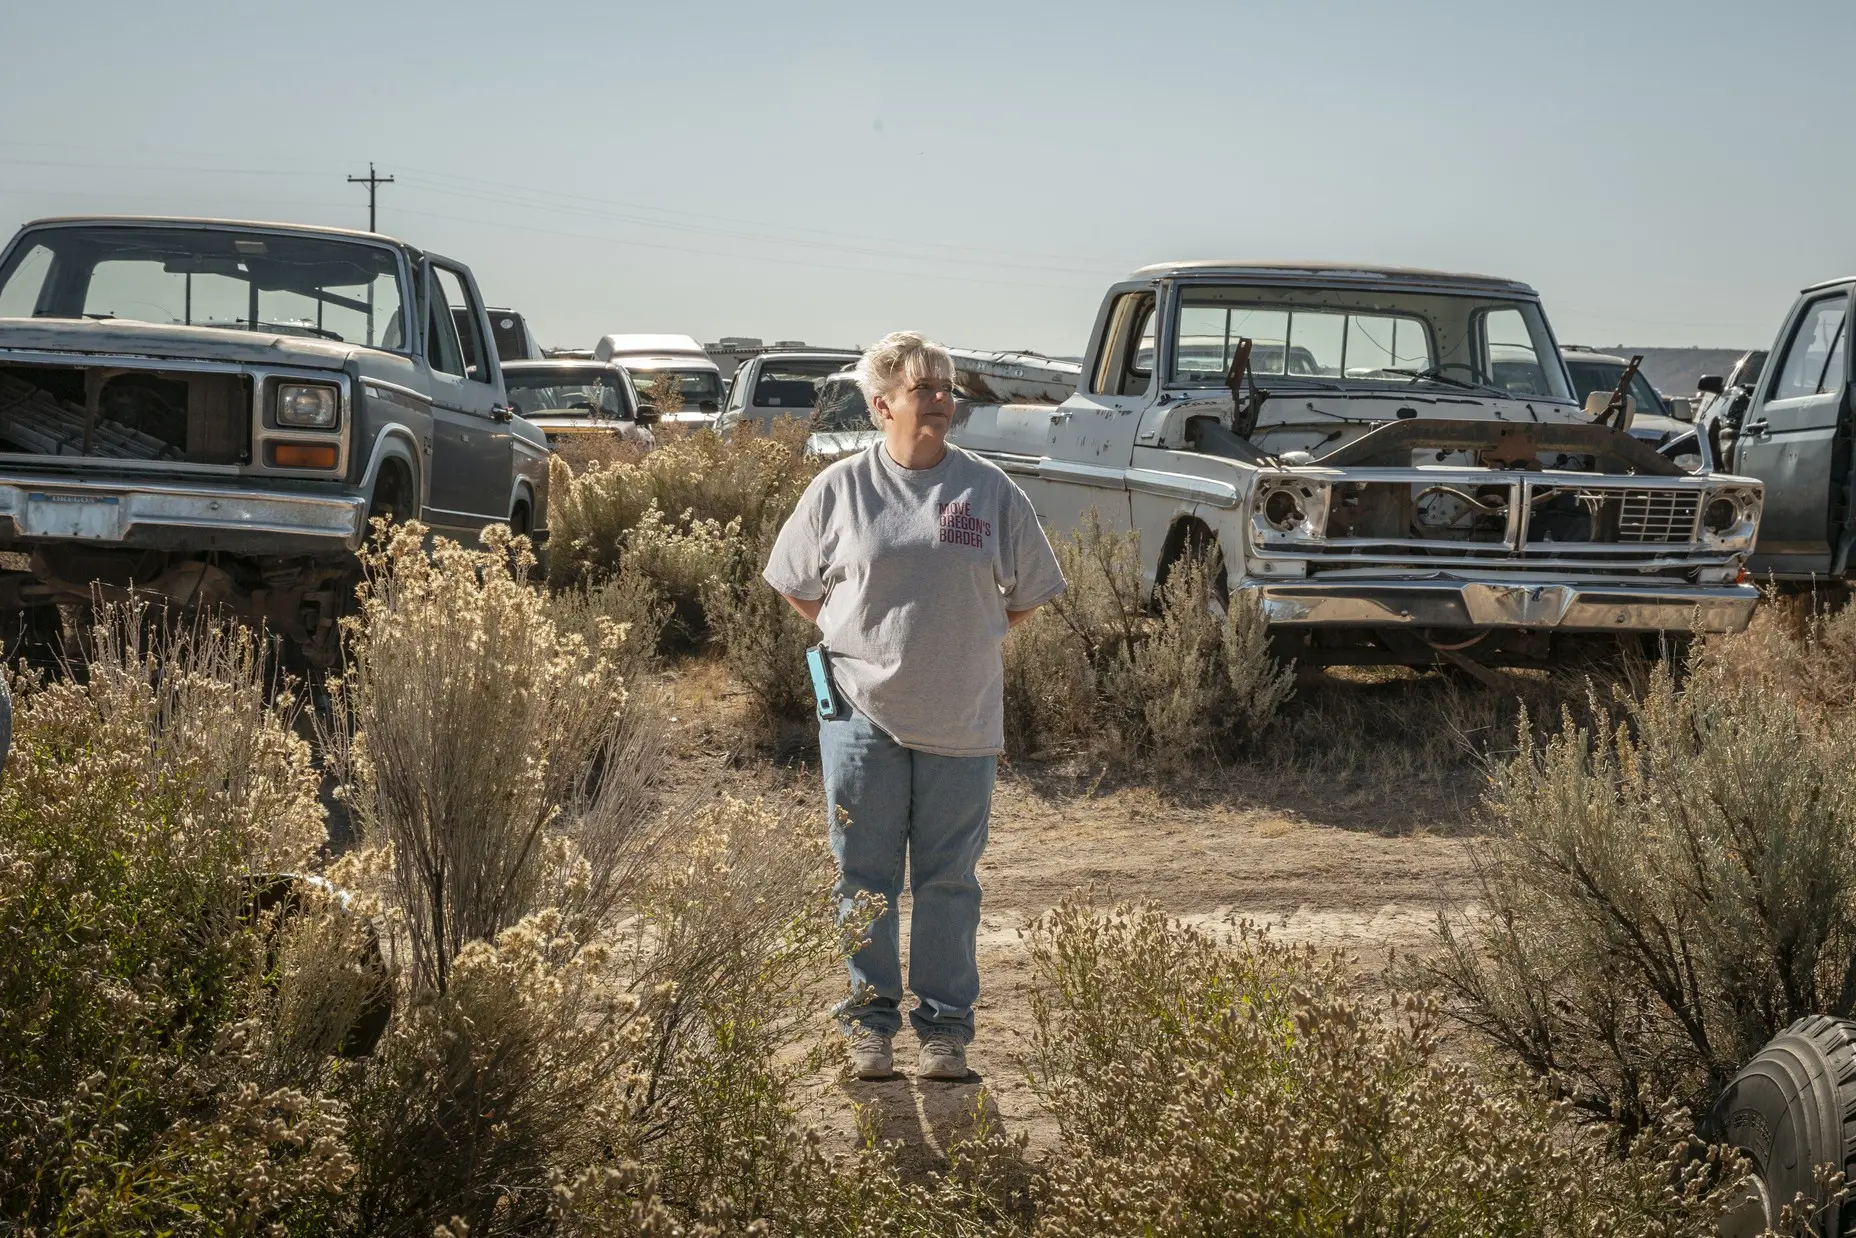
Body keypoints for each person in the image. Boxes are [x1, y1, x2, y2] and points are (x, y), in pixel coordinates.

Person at [763, 331, 1065, 1081]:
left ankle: (945, 1032)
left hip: (962, 716)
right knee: (863, 877)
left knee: (949, 881)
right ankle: (869, 1026)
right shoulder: (839, 488)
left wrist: (967, 636)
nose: (940, 397)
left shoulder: (991, 490)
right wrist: (859, 640)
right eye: (923, 385)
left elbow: (1028, 594)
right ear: (881, 404)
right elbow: (798, 584)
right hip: (861, 715)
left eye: (946, 385)